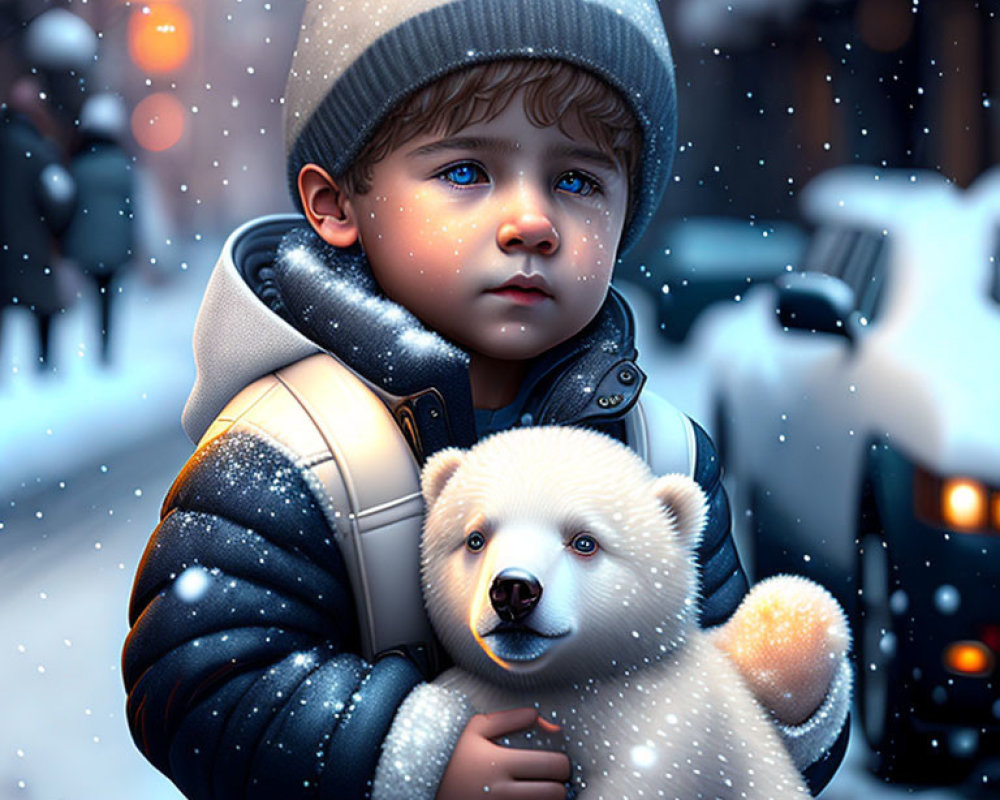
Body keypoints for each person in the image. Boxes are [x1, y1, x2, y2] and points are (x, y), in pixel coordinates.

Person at [122, 2, 851, 798]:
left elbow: (709, 700)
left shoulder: (657, 453)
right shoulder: (289, 449)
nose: (533, 222)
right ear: (336, 204)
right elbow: (196, 685)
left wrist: (780, 708)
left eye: (577, 180)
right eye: (465, 171)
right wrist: (410, 752)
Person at [0, 75, 76, 371]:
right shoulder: (40, 149)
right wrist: (57, 230)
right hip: (34, 245)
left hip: (4, 246)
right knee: (42, 308)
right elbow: (59, 198)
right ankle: (44, 367)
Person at [62, 93, 135, 364]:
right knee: (108, 298)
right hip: (115, 245)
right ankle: (105, 348)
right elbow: (131, 209)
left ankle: (93, 346)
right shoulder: (122, 165)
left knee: (91, 295)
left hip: (85, 243)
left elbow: (69, 204)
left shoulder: (78, 165)